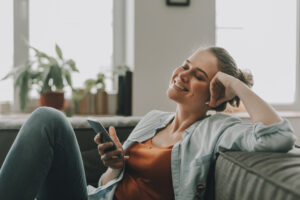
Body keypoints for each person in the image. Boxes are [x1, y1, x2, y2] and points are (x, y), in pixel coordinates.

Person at [0, 47, 296, 200]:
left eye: (198, 76)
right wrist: (115, 166)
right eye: (185, 65)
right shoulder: (153, 120)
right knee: (46, 118)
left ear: (215, 96)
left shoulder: (216, 130)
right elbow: (109, 185)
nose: (182, 74)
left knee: (49, 117)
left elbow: (279, 136)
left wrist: (234, 84)